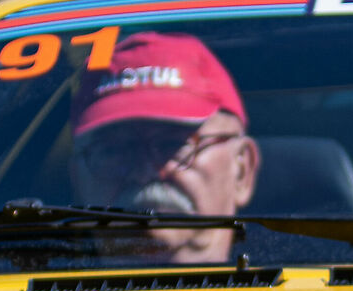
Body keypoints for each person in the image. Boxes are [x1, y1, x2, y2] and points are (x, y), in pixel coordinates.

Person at [67, 30, 259, 263]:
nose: (144, 171)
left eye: (172, 144)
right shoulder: (16, 290)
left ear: (242, 171)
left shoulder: (311, 286)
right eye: (113, 151)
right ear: (77, 179)